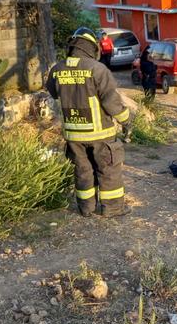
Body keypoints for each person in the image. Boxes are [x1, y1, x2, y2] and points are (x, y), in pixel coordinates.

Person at [46, 27, 132, 218]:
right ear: (91, 47)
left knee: (82, 170)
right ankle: (113, 209)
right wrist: (127, 120)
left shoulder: (57, 69)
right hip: (101, 134)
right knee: (108, 170)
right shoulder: (97, 69)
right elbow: (111, 101)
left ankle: (86, 208)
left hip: (73, 134)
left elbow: (52, 93)